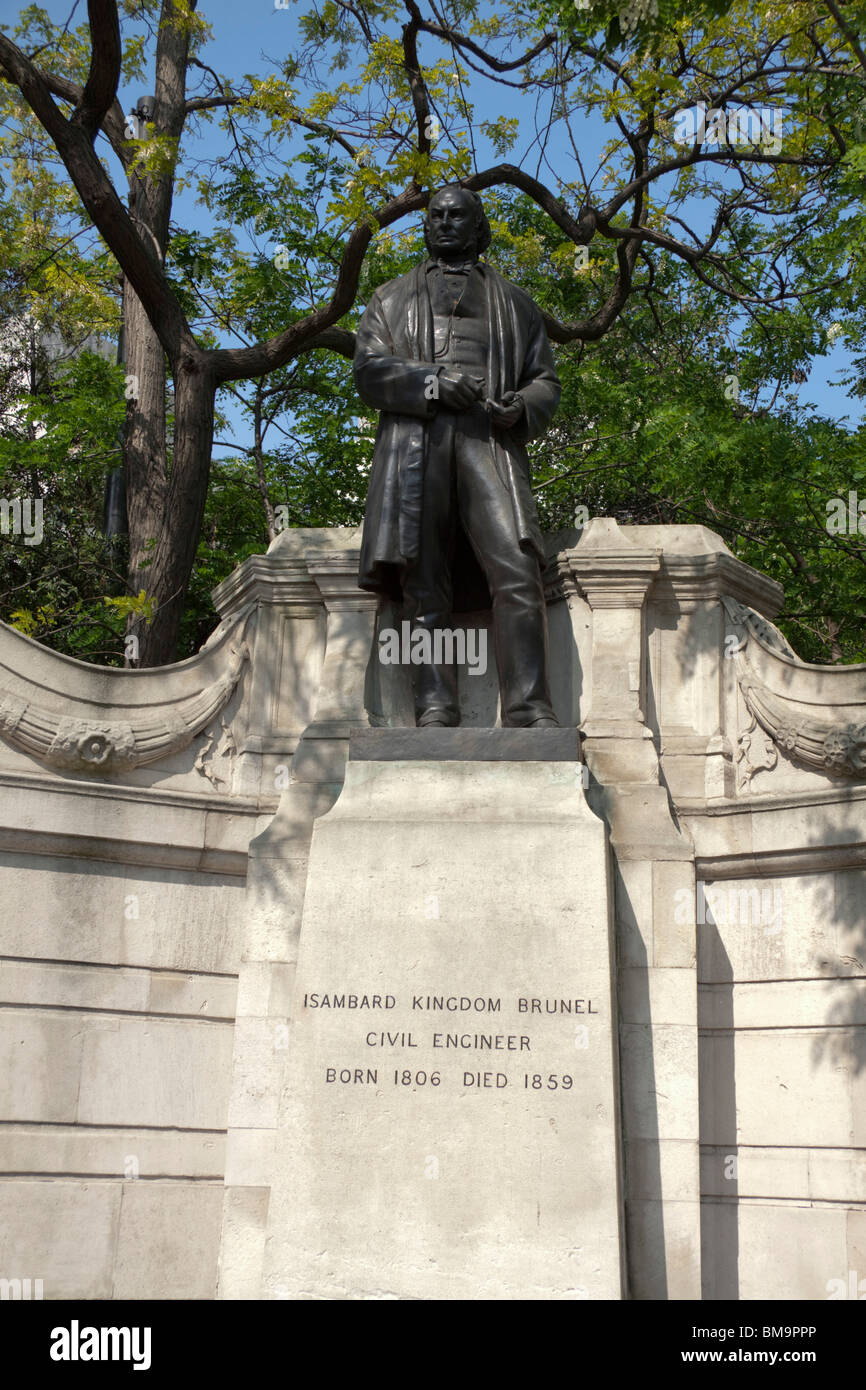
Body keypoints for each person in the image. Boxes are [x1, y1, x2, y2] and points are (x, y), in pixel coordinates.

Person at [354, 184, 561, 728]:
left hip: (487, 439)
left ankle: (529, 707)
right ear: (427, 227)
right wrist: (433, 382)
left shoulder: (516, 304)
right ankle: (434, 709)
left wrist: (522, 407)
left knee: (517, 567)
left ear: (478, 227)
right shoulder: (390, 298)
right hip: (415, 447)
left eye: (458, 216)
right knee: (423, 582)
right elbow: (369, 371)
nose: (446, 223)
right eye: (437, 216)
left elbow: (545, 381)